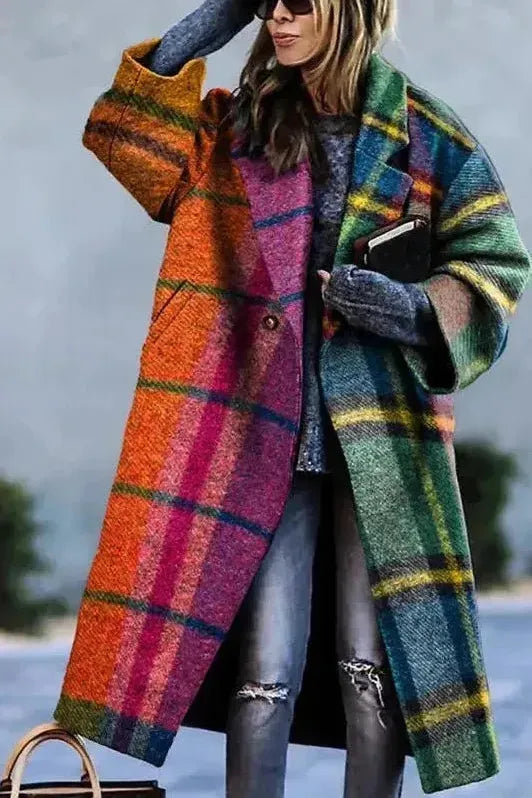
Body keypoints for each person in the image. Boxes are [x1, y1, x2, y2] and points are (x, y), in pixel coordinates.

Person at [53, 1, 531, 797]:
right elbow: (128, 138)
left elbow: (497, 263)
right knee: (263, 672)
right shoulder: (234, 130)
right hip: (253, 436)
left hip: (381, 437)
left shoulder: (429, 136)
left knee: (370, 669)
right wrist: (217, 18)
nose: (278, 14)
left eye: (299, 0)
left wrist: (403, 307)